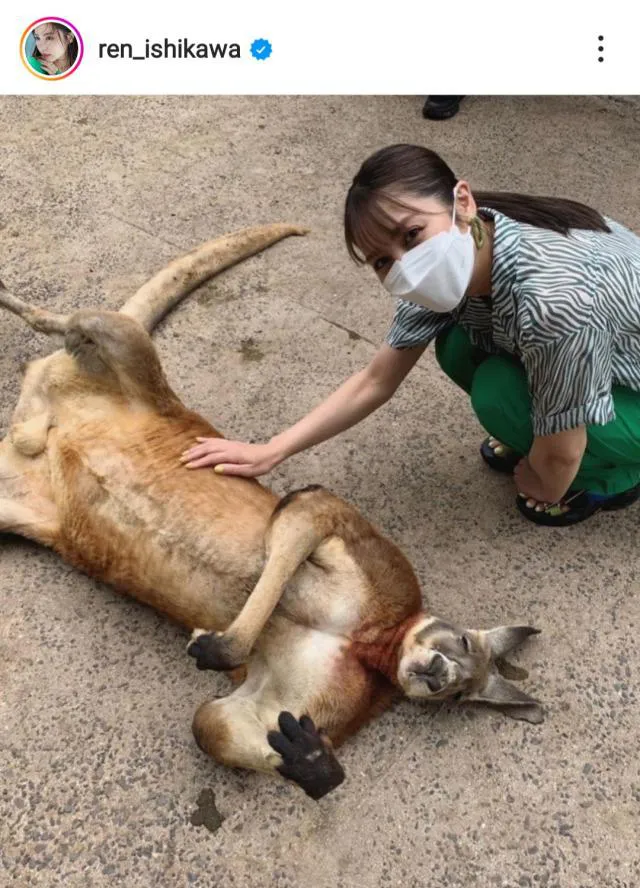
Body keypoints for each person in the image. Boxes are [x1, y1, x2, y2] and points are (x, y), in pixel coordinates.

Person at [181, 144, 640, 527]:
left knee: (500, 393)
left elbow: (562, 451)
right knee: (459, 347)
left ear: (462, 201)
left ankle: (612, 481)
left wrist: (543, 480)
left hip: (620, 377)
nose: (405, 265)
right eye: (382, 261)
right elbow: (375, 380)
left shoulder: (553, 303)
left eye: (412, 234)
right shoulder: (478, 240)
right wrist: (269, 451)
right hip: (597, 355)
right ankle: (537, 434)